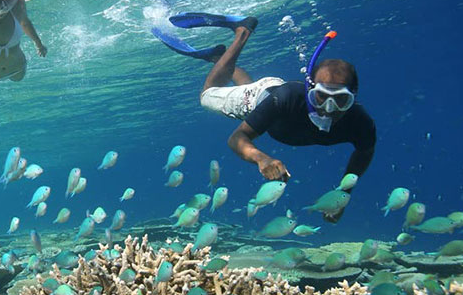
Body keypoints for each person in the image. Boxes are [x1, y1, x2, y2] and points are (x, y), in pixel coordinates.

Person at [154, 13, 376, 222]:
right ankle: (241, 34)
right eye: (320, 97)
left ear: (353, 97)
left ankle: (223, 59)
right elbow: (237, 138)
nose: (328, 109)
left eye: (340, 100)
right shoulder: (286, 100)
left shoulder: (361, 123)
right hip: (261, 96)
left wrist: (343, 196)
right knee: (207, 96)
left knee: (251, 92)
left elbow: (364, 151)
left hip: (273, 94)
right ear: (310, 89)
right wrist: (261, 158)